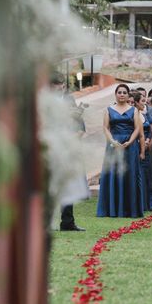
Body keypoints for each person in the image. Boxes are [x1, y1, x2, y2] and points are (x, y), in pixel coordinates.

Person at [96, 83, 146, 217]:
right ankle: (112, 209)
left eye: (124, 92)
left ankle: (130, 209)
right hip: (114, 145)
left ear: (128, 95)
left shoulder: (134, 110)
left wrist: (130, 141)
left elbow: (137, 128)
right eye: (120, 92)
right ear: (116, 94)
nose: (122, 94)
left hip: (130, 146)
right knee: (114, 174)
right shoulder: (108, 110)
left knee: (130, 175)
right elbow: (105, 127)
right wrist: (112, 141)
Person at [50, 73, 89, 231]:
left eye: (62, 84)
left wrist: (78, 133)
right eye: (56, 84)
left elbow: (78, 121)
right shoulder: (44, 101)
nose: (60, 87)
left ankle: (67, 222)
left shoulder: (70, 100)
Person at [134, 91, 152, 211]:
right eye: (142, 101)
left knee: (148, 176)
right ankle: (139, 204)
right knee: (139, 176)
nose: (145, 103)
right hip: (136, 148)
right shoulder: (132, 114)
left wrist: (148, 140)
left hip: (146, 149)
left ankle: (149, 203)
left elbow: (150, 129)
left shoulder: (145, 114)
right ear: (136, 103)